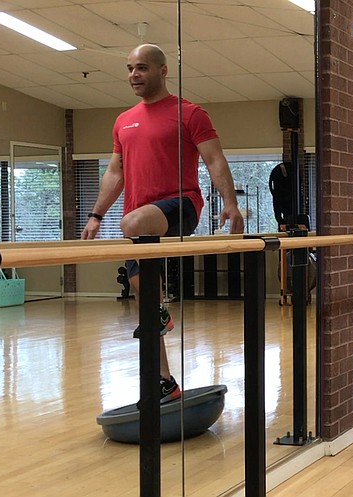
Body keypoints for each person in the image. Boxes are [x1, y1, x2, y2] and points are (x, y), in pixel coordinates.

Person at [82, 44, 245, 403]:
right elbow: (115, 172)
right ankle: (165, 383)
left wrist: (231, 205)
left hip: (180, 205)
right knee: (149, 312)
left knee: (134, 222)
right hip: (139, 223)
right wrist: (95, 215)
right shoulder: (123, 120)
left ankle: (159, 309)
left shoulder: (190, 113)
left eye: (141, 68)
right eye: (129, 69)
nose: (133, 75)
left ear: (162, 70)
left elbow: (215, 160)